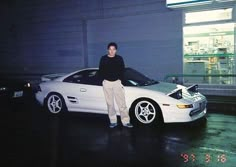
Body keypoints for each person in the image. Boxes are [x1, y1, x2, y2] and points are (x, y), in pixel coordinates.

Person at [99, 42, 133, 128]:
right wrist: (103, 80)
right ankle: (113, 121)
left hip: (117, 82)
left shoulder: (119, 58)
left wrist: (121, 80)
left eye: (113, 49)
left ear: (116, 50)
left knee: (122, 103)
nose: (112, 51)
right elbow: (101, 70)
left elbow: (122, 70)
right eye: (110, 49)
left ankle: (126, 121)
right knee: (110, 104)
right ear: (108, 50)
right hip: (107, 83)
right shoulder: (103, 58)